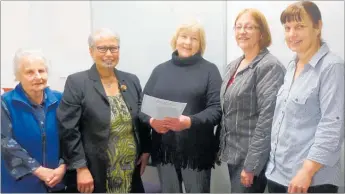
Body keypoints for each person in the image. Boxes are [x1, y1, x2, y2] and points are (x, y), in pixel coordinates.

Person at [57, 28, 151, 193]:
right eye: (102, 48)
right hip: (95, 169)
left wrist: (145, 150)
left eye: (114, 48)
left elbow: (140, 118)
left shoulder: (131, 80)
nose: (109, 53)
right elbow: (68, 129)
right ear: (91, 51)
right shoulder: (77, 82)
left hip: (129, 167)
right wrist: (80, 168)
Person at [265, 1, 344, 193]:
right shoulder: (292, 65)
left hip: (310, 181)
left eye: (300, 27)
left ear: (318, 27)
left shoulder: (331, 67)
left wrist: (307, 171)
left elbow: (333, 125)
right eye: (288, 28)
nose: (292, 34)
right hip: (278, 173)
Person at [139, 20, 222, 193]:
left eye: (194, 39)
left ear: (201, 44)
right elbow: (142, 106)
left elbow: (216, 110)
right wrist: (152, 121)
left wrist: (189, 122)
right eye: (184, 36)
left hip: (196, 153)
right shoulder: (159, 71)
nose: (188, 42)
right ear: (175, 39)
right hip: (164, 151)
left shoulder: (210, 70)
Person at [218, 9, 285, 193]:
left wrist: (252, 165)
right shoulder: (233, 65)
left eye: (249, 27)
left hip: (252, 157)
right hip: (233, 153)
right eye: (238, 27)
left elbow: (267, 118)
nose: (242, 31)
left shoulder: (269, 66)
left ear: (261, 33)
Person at [1, 49, 66, 192]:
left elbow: (71, 135)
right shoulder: (5, 103)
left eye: (41, 71)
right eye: (30, 72)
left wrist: (63, 166)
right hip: (20, 186)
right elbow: (5, 142)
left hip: (57, 182)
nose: (38, 77)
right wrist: (38, 170)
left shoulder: (60, 99)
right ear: (18, 75)